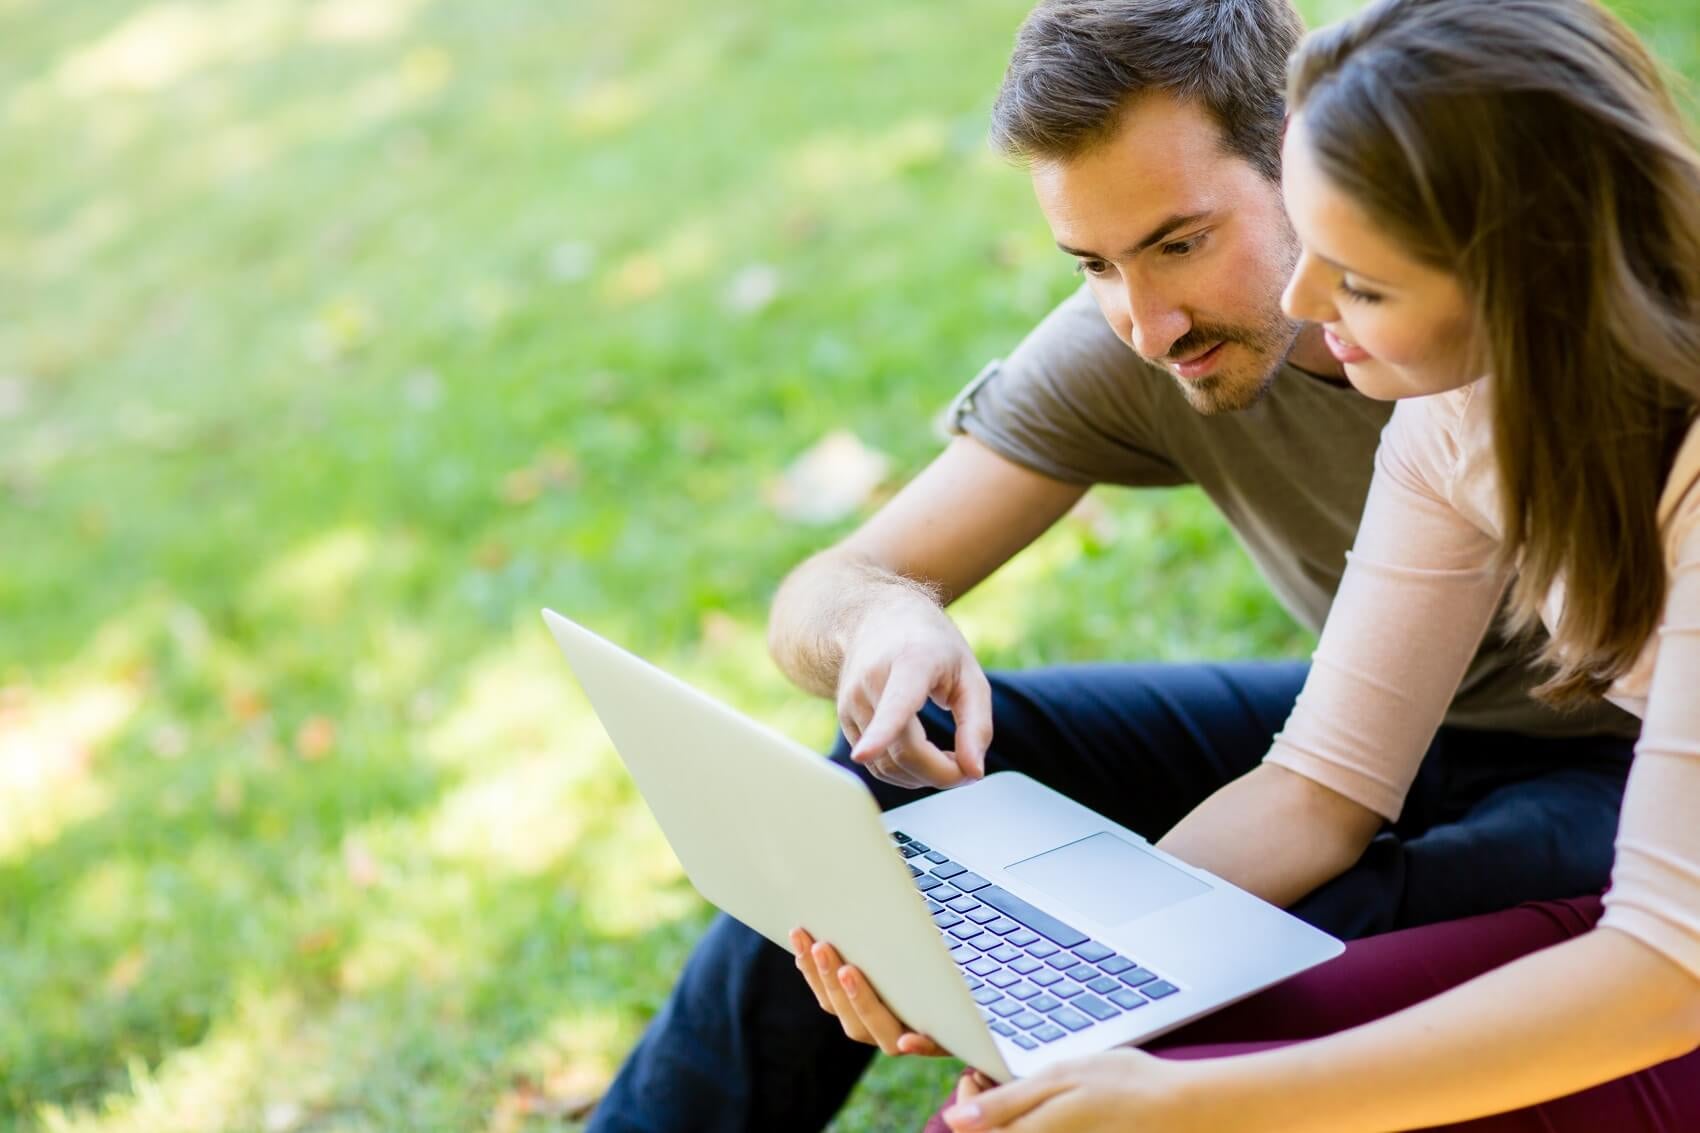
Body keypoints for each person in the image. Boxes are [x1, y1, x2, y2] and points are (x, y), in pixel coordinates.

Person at [585, 3, 1644, 1130]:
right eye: (1092, 261)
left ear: (1308, 150)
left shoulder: (1519, 366)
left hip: (1623, 762)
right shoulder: (1184, 354)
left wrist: (1063, 984)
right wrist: (886, 627)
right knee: (903, 777)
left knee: (1299, 926)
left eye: (1179, 242)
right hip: (1377, 723)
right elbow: (1317, 785)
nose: (1143, 321)